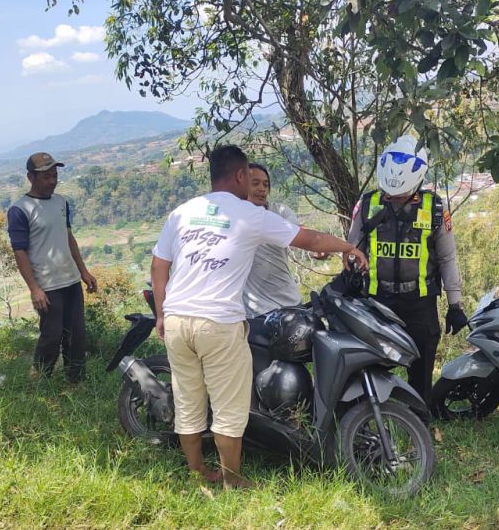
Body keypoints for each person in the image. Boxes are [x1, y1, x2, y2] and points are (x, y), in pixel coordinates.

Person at [151, 145, 367, 489]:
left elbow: (160, 265)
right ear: (239, 175)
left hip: (178, 320)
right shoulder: (248, 214)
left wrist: (162, 314)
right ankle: (232, 480)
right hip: (217, 324)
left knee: (189, 401)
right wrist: (350, 248)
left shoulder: (183, 211)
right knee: (229, 410)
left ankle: (196, 474)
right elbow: (309, 239)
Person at [345, 135, 467, 408]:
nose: (395, 199)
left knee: (421, 372)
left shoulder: (434, 209)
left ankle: (420, 421)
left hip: (419, 303)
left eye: (400, 195)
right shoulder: (367, 205)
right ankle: (368, 419)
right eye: (391, 194)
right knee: (369, 365)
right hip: (376, 301)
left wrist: (455, 304)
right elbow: (352, 249)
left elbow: (447, 258)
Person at [7, 152, 98, 383]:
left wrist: (84, 272)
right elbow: (20, 252)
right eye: (46, 176)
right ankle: (39, 380)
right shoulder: (20, 210)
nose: (52, 181)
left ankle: (76, 380)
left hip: (70, 279)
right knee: (52, 335)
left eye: (54, 175)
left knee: (76, 335)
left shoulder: (60, 202)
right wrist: (34, 288)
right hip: (47, 285)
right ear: (31, 177)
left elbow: (68, 237)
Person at [242, 163, 307, 320]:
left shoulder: (280, 212)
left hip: (291, 304)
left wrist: (318, 249)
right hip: (256, 313)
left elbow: (301, 233)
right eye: (255, 183)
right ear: (242, 186)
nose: (262, 189)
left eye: (266, 184)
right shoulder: (234, 218)